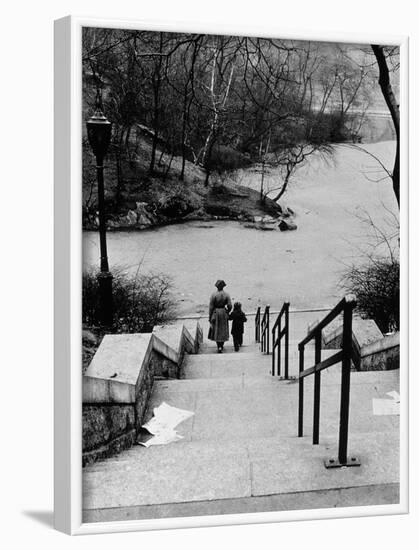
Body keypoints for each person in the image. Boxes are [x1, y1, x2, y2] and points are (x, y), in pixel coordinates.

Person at [208, 280, 232, 353]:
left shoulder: (213, 295)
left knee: (216, 330)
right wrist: (227, 311)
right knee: (223, 329)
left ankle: (219, 346)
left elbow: (211, 307)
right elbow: (230, 305)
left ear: (217, 286)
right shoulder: (226, 294)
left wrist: (210, 316)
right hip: (223, 312)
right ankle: (221, 345)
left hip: (216, 313)